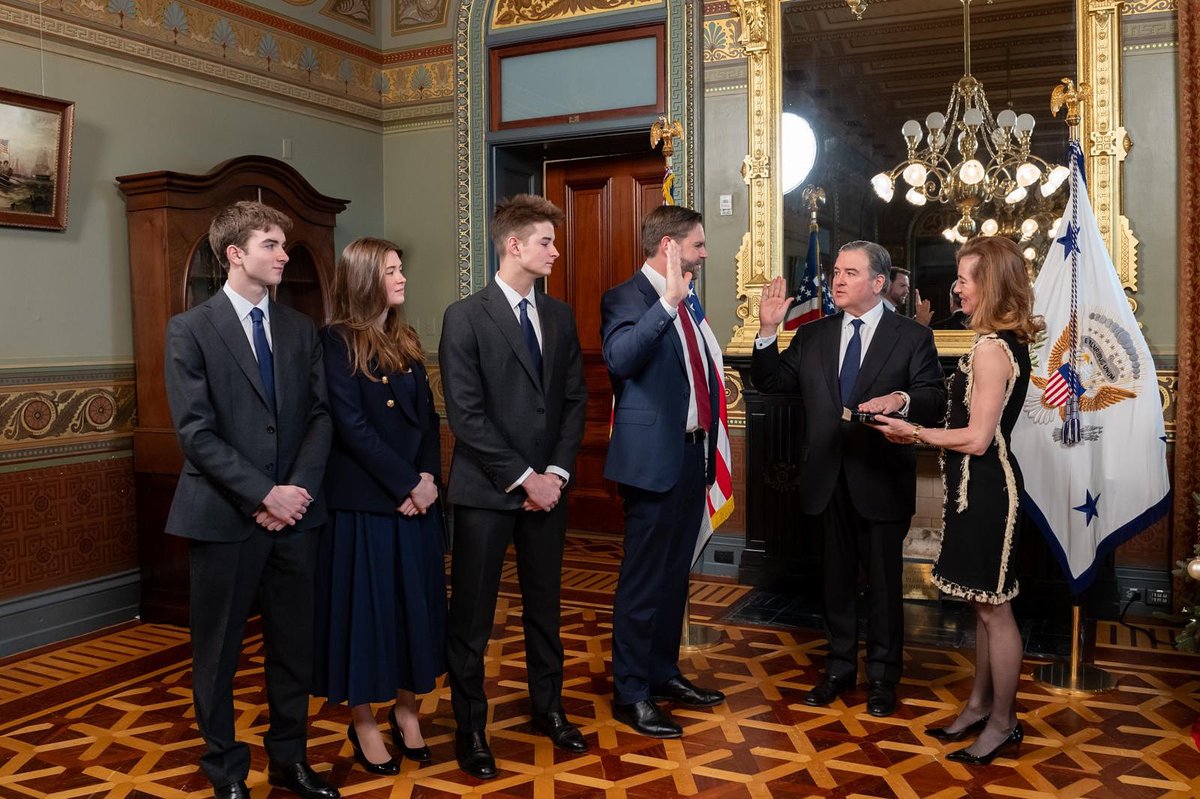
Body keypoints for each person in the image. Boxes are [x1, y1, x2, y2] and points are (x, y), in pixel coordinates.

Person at [163, 201, 337, 799]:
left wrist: (292, 496)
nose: (284, 255)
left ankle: (290, 762)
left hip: (296, 520)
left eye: (284, 245)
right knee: (218, 655)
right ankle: (226, 772)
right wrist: (263, 494)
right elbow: (196, 433)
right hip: (224, 519)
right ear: (236, 254)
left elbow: (319, 417)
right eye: (271, 244)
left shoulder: (299, 328)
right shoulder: (190, 329)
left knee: (294, 650)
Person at [752, 240, 944, 717]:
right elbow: (771, 382)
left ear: (878, 284)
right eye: (836, 271)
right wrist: (767, 329)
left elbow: (933, 396)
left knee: (883, 585)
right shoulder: (814, 335)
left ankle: (882, 676)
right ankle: (838, 668)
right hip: (824, 479)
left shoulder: (910, 336)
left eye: (850, 273)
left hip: (880, 478)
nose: (837, 280)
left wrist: (899, 399)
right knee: (834, 583)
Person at [871, 236, 1041, 764]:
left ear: (990, 284)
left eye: (965, 279)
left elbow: (977, 439)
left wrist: (913, 433)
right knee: (984, 609)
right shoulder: (996, 341)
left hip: (988, 493)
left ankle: (1003, 721)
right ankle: (978, 706)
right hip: (973, 491)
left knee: (995, 611)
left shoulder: (993, 349)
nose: (957, 289)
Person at [439, 194, 589, 779]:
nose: (556, 250)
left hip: (549, 492)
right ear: (514, 245)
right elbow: (465, 414)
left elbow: (574, 401)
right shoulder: (466, 316)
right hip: (485, 493)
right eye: (546, 241)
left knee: (545, 608)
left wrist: (556, 475)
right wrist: (524, 478)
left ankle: (548, 709)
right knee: (472, 617)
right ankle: (471, 728)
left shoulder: (559, 315)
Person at [312, 238, 446, 776]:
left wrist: (431, 479)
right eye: (392, 270)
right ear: (366, 277)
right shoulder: (335, 342)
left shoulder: (405, 337)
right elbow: (353, 428)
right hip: (365, 508)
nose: (402, 278)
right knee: (365, 619)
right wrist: (406, 485)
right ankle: (365, 720)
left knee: (416, 612)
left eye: (401, 268)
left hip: (418, 503)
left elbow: (430, 419)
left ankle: (408, 710)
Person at [602, 205, 726, 739]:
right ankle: (630, 693)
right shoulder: (625, 298)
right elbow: (622, 359)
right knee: (643, 582)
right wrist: (668, 304)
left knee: (676, 577)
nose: (704, 253)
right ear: (670, 247)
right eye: (697, 245)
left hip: (690, 456)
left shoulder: (692, 301)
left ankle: (662, 672)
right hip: (652, 462)